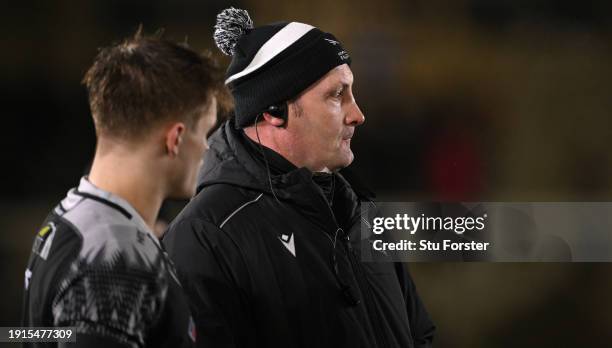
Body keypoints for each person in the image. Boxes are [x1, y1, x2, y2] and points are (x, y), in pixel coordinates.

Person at [163, 7, 435, 348]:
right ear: (274, 110)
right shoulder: (206, 235)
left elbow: (419, 335)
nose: (358, 114)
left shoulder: (361, 212)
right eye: (337, 95)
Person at [21, 31, 225, 348]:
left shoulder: (73, 216)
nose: (209, 149)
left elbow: (31, 334)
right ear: (176, 138)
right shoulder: (116, 257)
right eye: (206, 132)